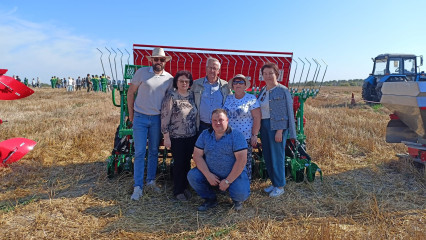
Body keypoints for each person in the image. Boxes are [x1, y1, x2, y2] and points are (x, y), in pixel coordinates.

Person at [127, 47, 173, 201]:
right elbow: (130, 92)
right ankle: (138, 186)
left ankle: (151, 181)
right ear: (151, 60)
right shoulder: (141, 73)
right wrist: (131, 114)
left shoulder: (169, 79)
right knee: (140, 152)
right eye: (156, 59)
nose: (158, 62)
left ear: (165, 62)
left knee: (154, 150)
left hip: (157, 119)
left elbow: (169, 101)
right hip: (140, 117)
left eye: (161, 59)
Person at [187, 109, 250, 211]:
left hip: (232, 175)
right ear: (211, 121)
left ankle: (237, 201)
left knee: (241, 194)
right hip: (212, 174)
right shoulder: (204, 134)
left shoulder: (236, 135)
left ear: (227, 120)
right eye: (214, 120)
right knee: (192, 175)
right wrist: (208, 175)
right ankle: (210, 199)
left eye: (221, 120)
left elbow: (241, 160)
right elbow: (197, 156)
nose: (218, 123)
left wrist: (228, 181)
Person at [258, 63, 296, 197]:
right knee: (268, 155)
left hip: (277, 127)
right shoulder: (263, 91)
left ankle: (280, 186)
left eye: (271, 73)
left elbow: (286, 112)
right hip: (265, 126)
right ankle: (274, 183)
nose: (268, 76)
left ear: (277, 74)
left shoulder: (282, 90)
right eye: (265, 73)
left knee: (277, 156)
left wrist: (280, 130)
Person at [161, 70, 197, 201]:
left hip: (191, 135)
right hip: (176, 136)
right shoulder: (171, 96)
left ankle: (186, 186)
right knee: (179, 163)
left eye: (186, 81)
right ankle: (178, 190)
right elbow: (165, 117)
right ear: (176, 82)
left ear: (190, 83)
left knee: (187, 163)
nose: (184, 83)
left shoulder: (192, 95)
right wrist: (166, 136)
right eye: (181, 81)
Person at [224, 74, 261, 180]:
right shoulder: (228, 98)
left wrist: (254, 135)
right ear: (232, 86)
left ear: (245, 85)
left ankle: (244, 185)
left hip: (245, 137)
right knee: (230, 161)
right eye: (235, 82)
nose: (238, 84)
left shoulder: (251, 98)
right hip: (229, 136)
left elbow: (257, 118)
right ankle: (230, 183)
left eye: (241, 82)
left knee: (244, 162)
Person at [191, 57, 232, 135]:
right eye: (210, 68)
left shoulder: (225, 86)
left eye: (215, 68)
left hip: (219, 126)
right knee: (201, 147)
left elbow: (231, 103)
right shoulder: (196, 84)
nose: (212, 71)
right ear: (206, 69)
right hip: (201, 126)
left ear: (218, 71)